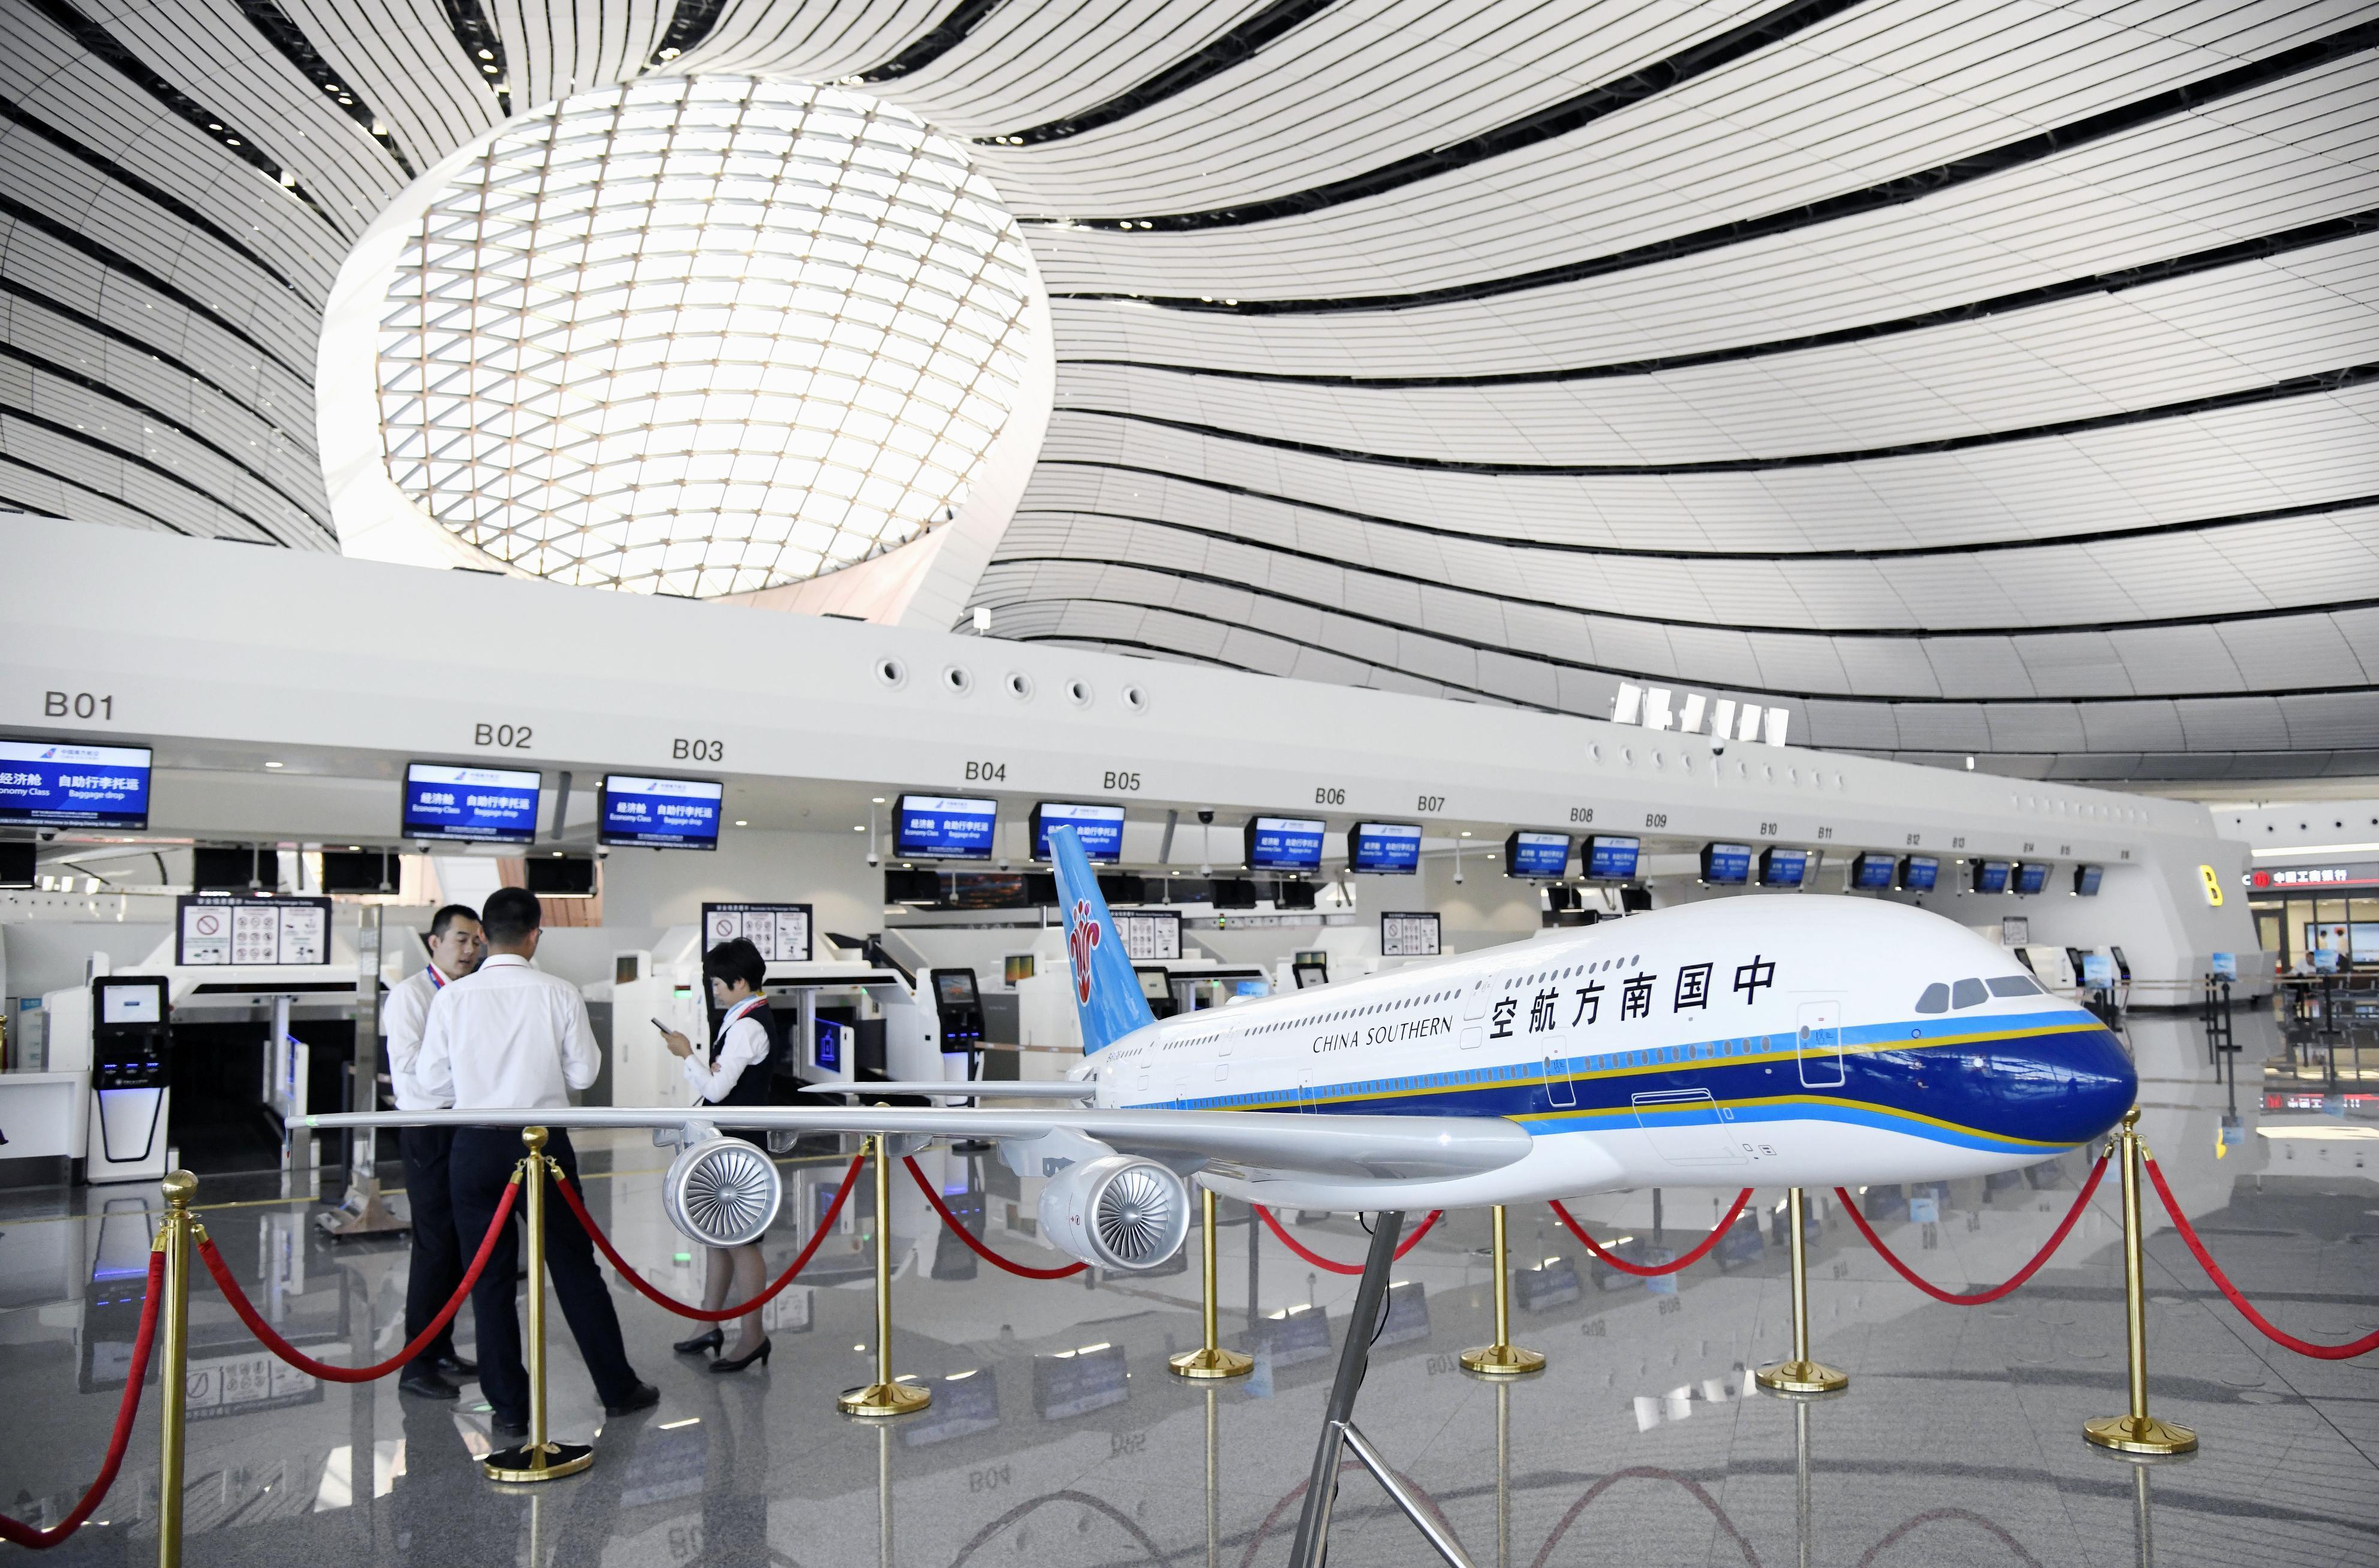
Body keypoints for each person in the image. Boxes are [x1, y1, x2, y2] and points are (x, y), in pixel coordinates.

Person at [417, 886, 657, 1439]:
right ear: (535, 935)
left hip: (474, 1146)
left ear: (482, 937)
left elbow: (431, 1083)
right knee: (574, 1268)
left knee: (489, 1278)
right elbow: (583, 1077)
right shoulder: (558, 992)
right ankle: (617, 1388)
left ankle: (508, 1407)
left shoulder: (453, 998)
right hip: (544, 1146)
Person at [382, 903, 486, 1402]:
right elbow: (409, 1073)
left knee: (457, 1246)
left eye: (476, 941)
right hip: (428, 1128)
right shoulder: (411, 996)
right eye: (461, 940)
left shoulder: (471, 993)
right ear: (435, 943)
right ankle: (416, 1364)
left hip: (463, 1124)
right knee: (433, 1246)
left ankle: (441, 1347)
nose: (470, 950)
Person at [658, 937, 778, 1372]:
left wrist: (686, 1054)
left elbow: (716, 1090)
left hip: (738, 1142)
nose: (715, 992)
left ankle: (752, 1335)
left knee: (743, 1242)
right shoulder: (743, 1017)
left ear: (741, 981)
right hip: (727, 1139)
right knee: (716, 1237)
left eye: (718, 985)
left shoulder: (748, 1025)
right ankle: (709, 1324)